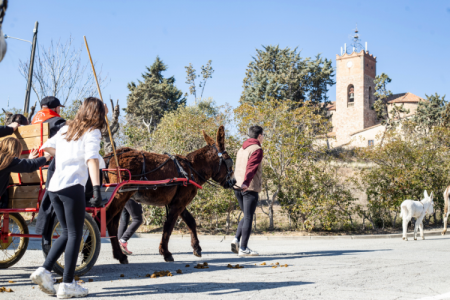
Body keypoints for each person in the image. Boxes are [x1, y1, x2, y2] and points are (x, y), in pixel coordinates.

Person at [30, 97, 106, 298]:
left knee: (67, 232)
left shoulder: (66, 128)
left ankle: (44, 271)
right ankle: (67, 284)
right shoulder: (93, 131)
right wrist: (97, 189)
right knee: (75, 233)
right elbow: (91, 159)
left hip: (54, 187)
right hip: (72, 187)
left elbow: (45, 148)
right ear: (97, 113)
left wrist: (65, 155)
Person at [33, 96, 67, 255]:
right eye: (59, 107)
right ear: (55, 108)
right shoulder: (57, 122)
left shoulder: (32, 122)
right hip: (50, 169)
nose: (60, 110)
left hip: (32, 169)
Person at [231, 125, 264, 257]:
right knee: (249, 217)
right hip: (248, 187)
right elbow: (251, 168)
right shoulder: (257, 149)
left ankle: (236, 239)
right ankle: (243, 248)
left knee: (246, 215)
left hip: (237, 186)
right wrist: (246, 182)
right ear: (259, 136)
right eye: (263, 136)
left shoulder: (241, 148)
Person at [0, 137, 51, 208]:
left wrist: (28, 160)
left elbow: (19, 164)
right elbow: (30, 165)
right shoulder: (7, 160)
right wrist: (47, 157)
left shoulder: (2, 159)